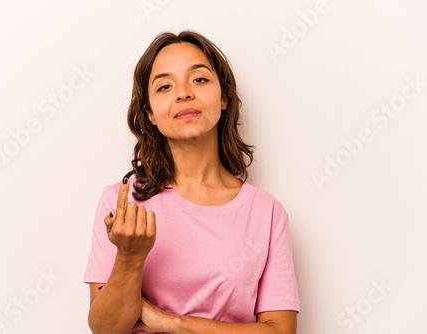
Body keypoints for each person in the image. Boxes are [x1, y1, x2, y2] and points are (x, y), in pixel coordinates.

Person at [84, 30, 300, 334]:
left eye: (198, 79)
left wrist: (172, 322)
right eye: (164, 86)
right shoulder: (120, 204)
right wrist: (130, 258)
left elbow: (280, 331)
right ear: (150, 114)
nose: (183, 92)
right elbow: (105, 328)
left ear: (224, 98)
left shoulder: (267, 212)